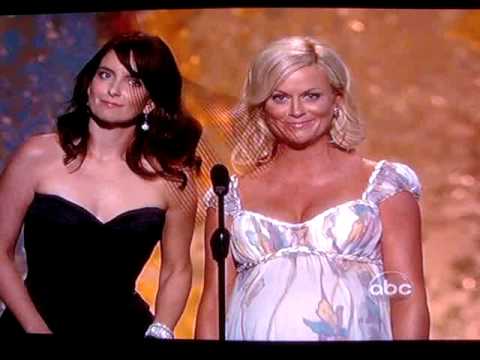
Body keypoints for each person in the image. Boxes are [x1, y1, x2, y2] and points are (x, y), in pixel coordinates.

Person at [195, 36, 429, 341]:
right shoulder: (229, 199)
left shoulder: (385, 188)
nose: (296, 111)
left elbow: (407, 298)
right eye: (279, 97)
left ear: (337, 101)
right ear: (262, 106)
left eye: (311, 96)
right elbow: (213, 304)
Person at [0, 31, 202, 338]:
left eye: (133, 82)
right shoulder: (37, 155)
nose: (113, 90)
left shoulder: (173, 179)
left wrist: (162, 330)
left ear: (149, 103)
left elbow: (177, 269)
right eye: (106, 75)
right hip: (31, 326)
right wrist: (35, 329)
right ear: (89, 85)